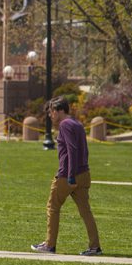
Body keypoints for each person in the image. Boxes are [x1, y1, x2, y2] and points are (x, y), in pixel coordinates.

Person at [33, 96, 102, 256]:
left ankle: (49, 245)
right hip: (84, 173)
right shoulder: (77, 123)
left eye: (51, 112)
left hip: (68, 175)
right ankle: (95, 246)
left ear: (59, 110)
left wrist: (71, 176)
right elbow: (84, 150)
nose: (50, 115)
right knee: (86, 211)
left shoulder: (65, 125)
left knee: (52, 207)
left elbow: (72, 150)